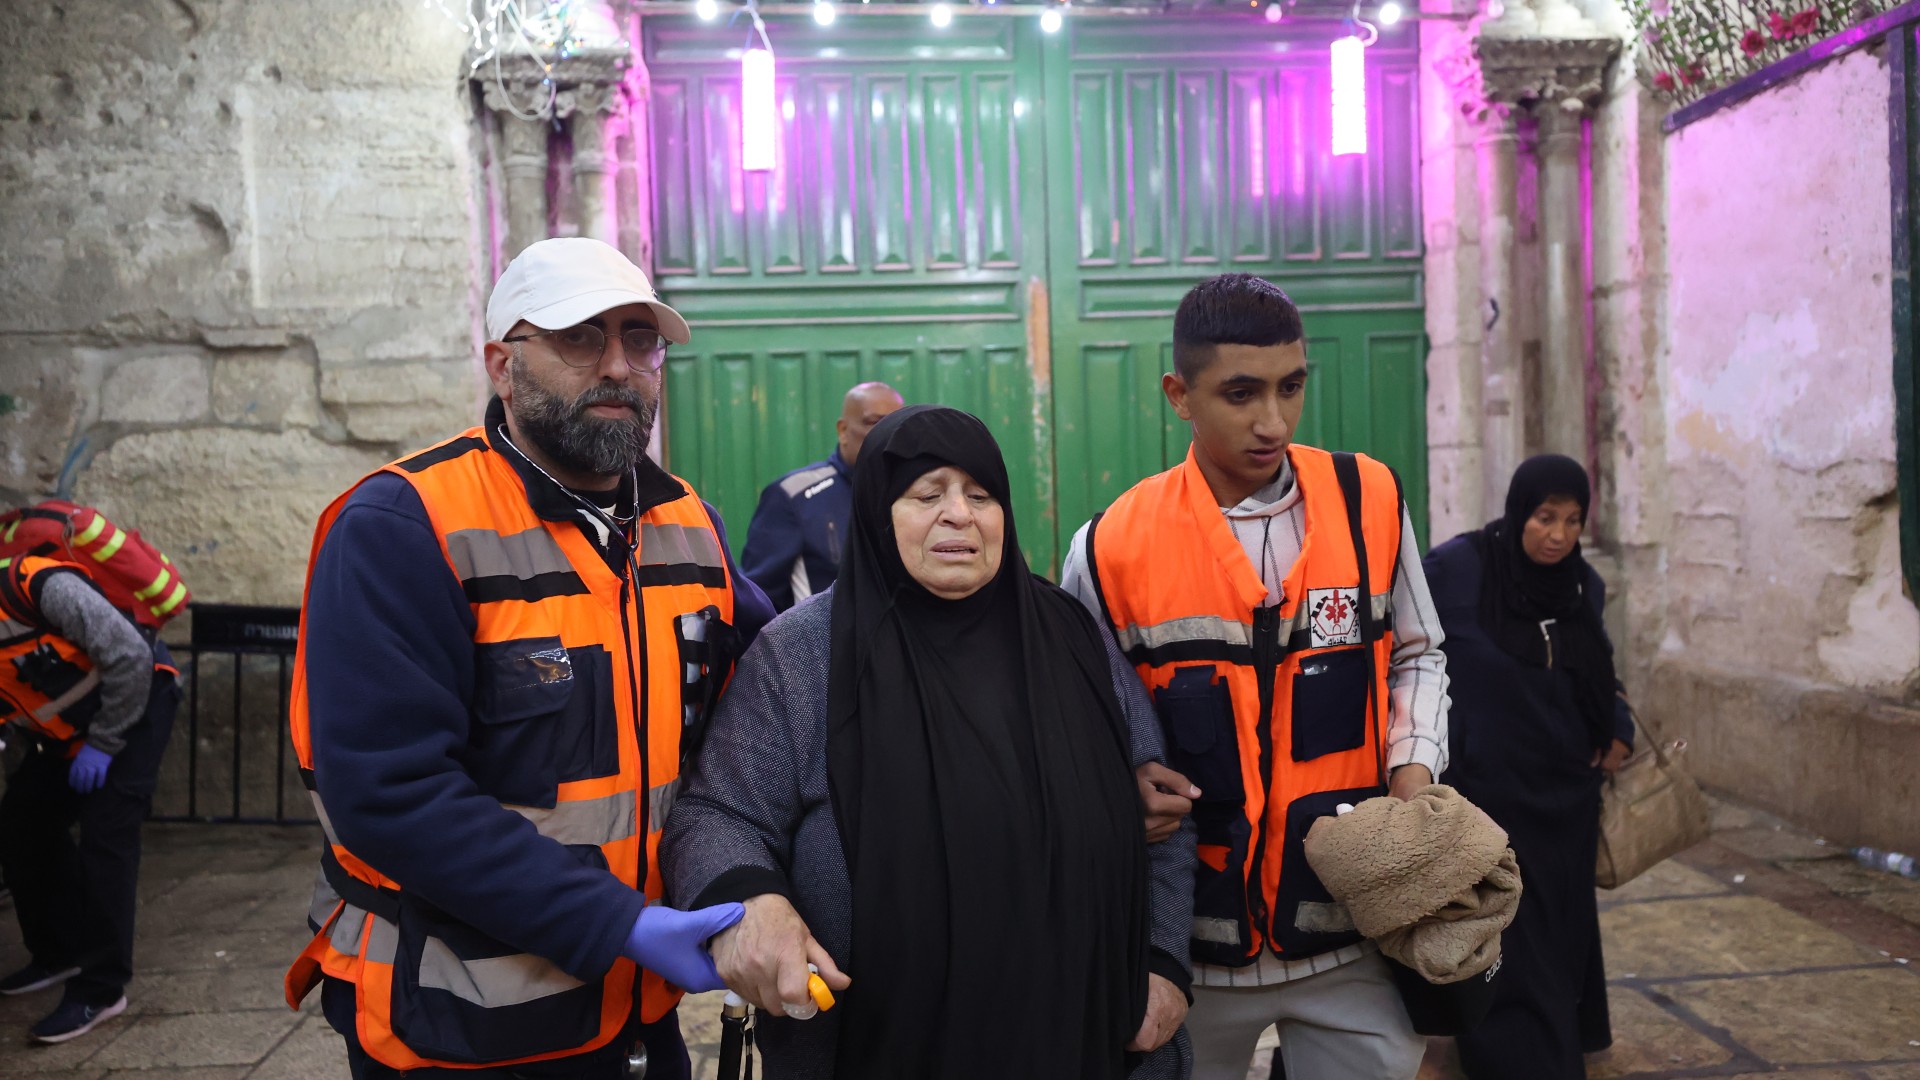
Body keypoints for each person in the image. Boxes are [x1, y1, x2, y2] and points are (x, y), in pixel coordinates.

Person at [283, 237, 774, 1079]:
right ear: (502, 365)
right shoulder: (404, 526)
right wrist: (618, 923)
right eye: (580, 338)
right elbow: (390, 795)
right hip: (459, 1014)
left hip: (633, 1012)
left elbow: (772, 679)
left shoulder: (686, 521)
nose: (620, 365)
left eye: (640, 339)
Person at [664, 404, 1196, 1080]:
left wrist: (1164, 965)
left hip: (1087, 1039)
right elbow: (717, 813)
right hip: (876, 1048)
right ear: (878, 512)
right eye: (927, 495)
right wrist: (754, 904)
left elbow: (1163, 818)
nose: (959, 515)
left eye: (981, 495)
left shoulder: (1069, 636)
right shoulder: (804, 654)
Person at [1059, 273, 1450, 1080]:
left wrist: (1414, 779)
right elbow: (1072, 719)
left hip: (1353, 934)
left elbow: (1418, 651)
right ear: (1179, 394)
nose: (1272, 420)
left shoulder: (1370, 498)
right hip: (1188, 951)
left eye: (1291, 387)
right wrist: (1117, 785)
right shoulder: (1110, 545)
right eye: (1241, 393)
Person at [1421, 454, 1632, 1079]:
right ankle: (1528, 1060)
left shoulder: (1579, 584)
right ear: (1519, 512)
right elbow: (1410, 653)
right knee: (1509, 925)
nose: (1558, 535)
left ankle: (1561, 1033)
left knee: (1560, 923)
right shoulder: (1458, 571)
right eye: (1545, 517)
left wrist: (1614, 730)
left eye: (1572, 520)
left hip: (1566, 791)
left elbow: (1598, 666)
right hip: (1490, 787)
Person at [0, 548, 178, 1043]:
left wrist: (103, 745)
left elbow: (129, 657)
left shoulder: (36, 588)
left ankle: (101, 990)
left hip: (137, 704)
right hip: (63, 732)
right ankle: (58, 953)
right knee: (21, 824)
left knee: (106, 838)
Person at [740, 381, 904, 611]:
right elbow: (759, 601)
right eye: (875, 423)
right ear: (843, 431)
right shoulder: (793, 496)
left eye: (898, 426)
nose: (888, 434)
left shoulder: (916, 496)